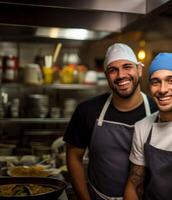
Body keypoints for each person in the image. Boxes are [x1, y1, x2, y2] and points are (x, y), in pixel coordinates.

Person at [64, 43, 157, 200]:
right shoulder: (87, 111)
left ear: (139, 70)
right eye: (113, 70)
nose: (121, 75)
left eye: (127, 67)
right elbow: (73, 156)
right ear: (106, 75)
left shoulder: (158, 112)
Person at [124, 53, 172, 200]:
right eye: (155, 82)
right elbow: (134, 185)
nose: (162, 89)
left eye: (171, 81)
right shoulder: (143, 128)